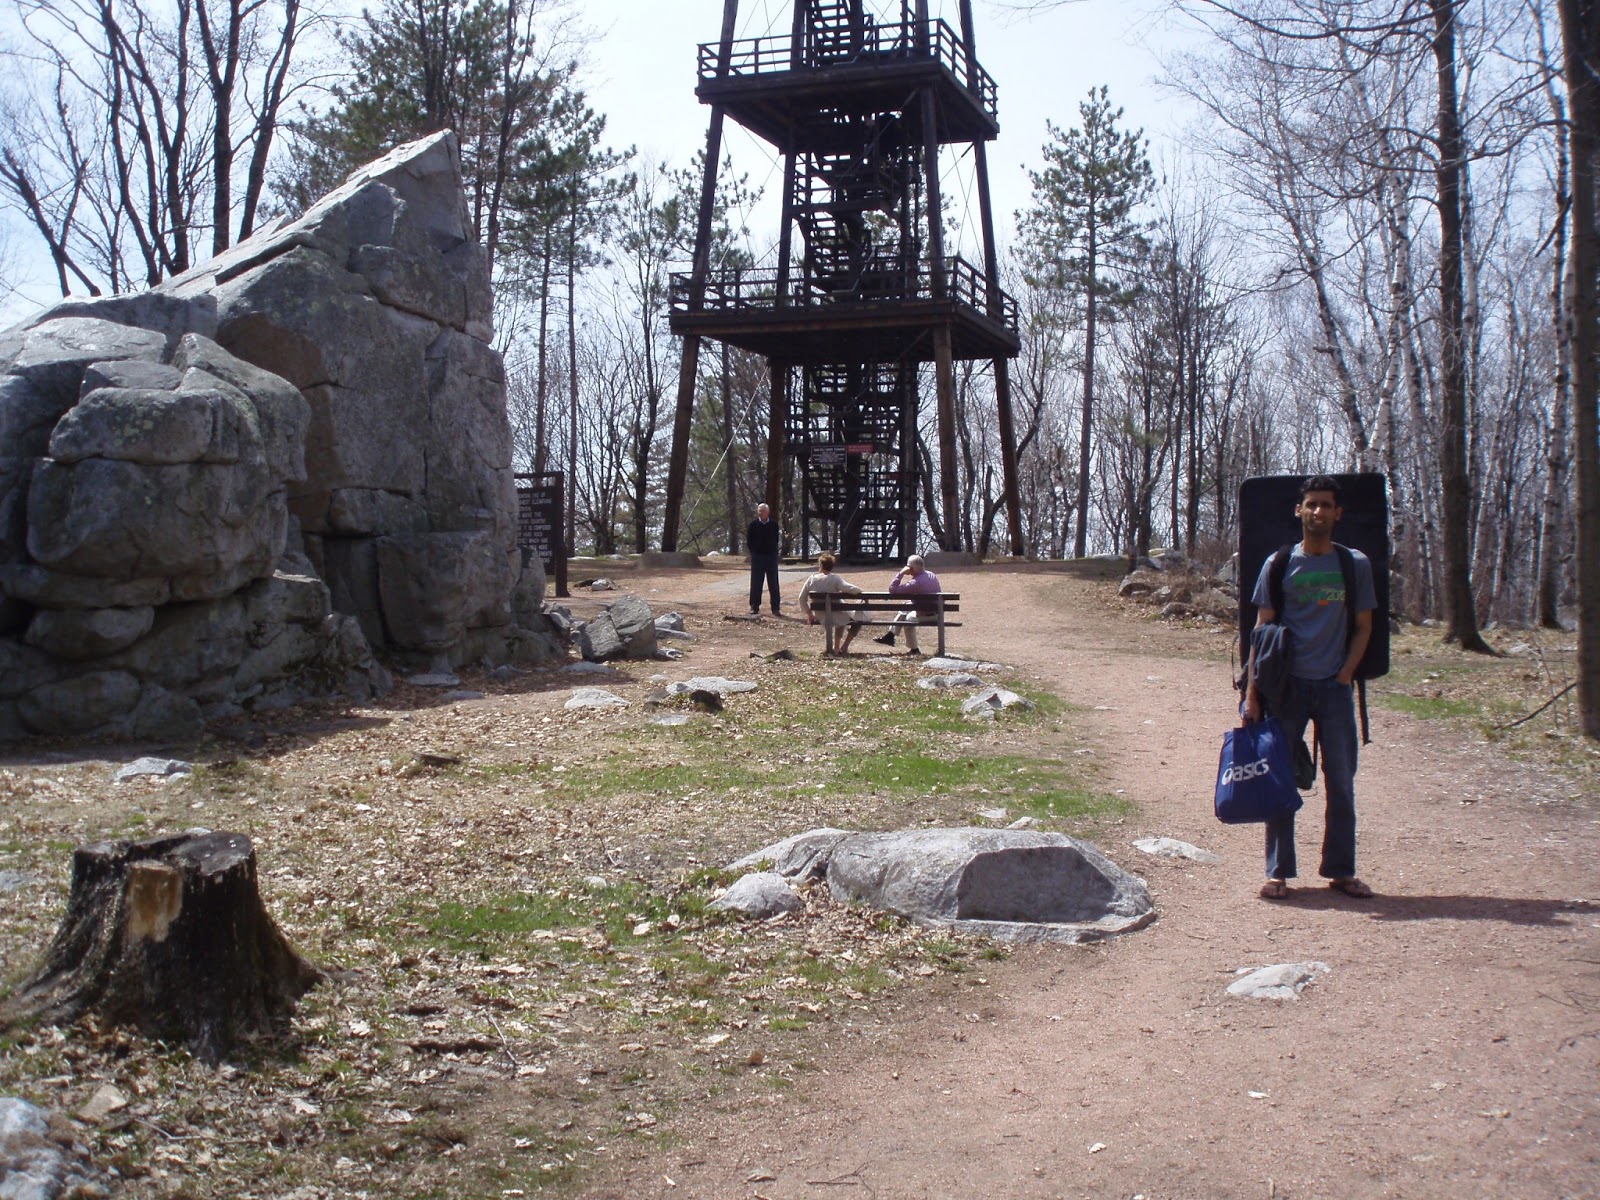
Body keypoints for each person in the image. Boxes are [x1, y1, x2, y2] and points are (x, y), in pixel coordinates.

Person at [1243, 474, 1377, 902]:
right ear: (1299, 510)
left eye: (1326, 505)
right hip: (1286, 689)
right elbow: (1261, 631)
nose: (1318, 511)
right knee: (1280, 780)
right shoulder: (1279, 563)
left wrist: (1346, 673)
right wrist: (1252, 693)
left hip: (1334, 689)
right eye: (1311, 504)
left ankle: (1341, 870)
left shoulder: (1354, 565)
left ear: (1338, 513)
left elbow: (1364, 626)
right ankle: (1277, 872)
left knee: (1341, 782)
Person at [798, 553, 865, 655]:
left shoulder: (811, 579)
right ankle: (841, 647)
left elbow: (801, 598)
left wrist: (809, 614)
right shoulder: (835, 578)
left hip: (820, 615)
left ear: (821, 565)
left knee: (841, 614)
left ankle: (836, 648)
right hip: (837, 613)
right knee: (855, 618)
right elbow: (849, 588)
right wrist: (860, 591)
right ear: (832, 567)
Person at [877, 553, 942, 656]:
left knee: (907, 620)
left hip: (926, 615)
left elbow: (893, 590)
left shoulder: (915, 583)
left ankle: (914, 649)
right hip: (938, 613)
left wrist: (901, 573)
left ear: (911, 568)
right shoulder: (931, 575)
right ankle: (890, 636)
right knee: (905, 608)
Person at [747, 503, 781, 616]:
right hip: (758, 557)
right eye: (759, 510)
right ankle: (754, 606)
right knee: (756, 583)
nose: (761, 513)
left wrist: (772, 552)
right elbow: (749, 541)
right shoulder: (753, 525)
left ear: (768, 512)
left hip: (771, 557)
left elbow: (776, 540)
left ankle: (775, 608)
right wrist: (754, 552)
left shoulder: (773, 525)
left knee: (773, 583)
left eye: (763, 510)